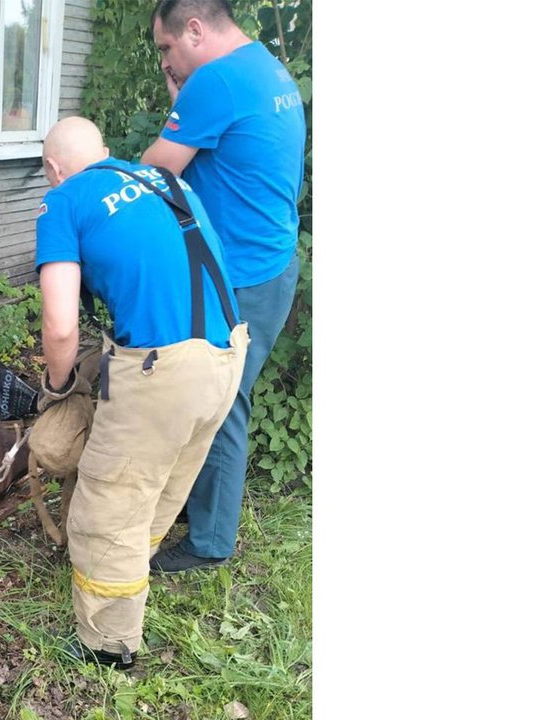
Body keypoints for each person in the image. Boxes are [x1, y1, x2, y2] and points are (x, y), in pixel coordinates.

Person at [35, 116, 248, 669]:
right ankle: (133, 570)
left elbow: (60, 326)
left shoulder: (65, 202)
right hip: (228, 354)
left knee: (108, 507)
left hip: (165, 371)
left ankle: (108, 648)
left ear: (54, 170)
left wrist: (58, 387)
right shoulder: (165, 181)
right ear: (106, 152)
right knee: (163, 482)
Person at [141, 0, 307, 574]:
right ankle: (200, 506)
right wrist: (176, 83)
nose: (168, 62)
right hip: (271, 266)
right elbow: (204, 136)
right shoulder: (265, 67)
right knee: (218, 394)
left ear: (194, 28)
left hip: (242, 277)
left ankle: (210, 543)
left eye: (167, 49)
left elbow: (154, 170)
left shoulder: (217, 81)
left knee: (220, 399)